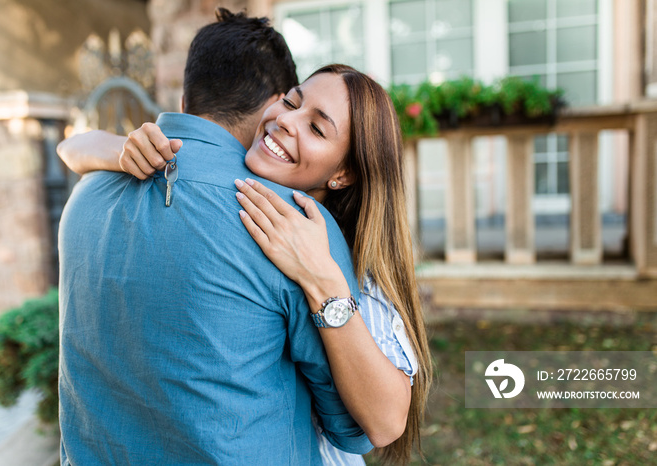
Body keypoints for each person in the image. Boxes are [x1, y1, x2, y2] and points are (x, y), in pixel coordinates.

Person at [60, 63, 434, 465]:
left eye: (317, 128)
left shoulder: (343, 252)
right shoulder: (239, 197)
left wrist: (322, 278)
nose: (286, 120)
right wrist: (115, 147)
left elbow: (383, 425)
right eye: (291, 101)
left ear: (343, 174)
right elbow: (73, 147)